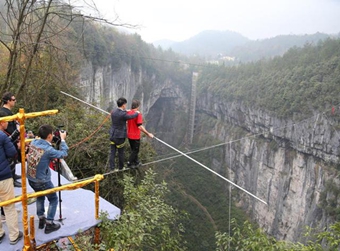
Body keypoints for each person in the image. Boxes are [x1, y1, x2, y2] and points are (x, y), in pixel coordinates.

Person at [26, 125, 68, 234]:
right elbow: (63, 154)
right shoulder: (48, 150)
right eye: (52, 134)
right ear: (49, 136)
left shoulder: (33, 142)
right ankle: (49, 224)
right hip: (42, 180)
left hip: (31, 178)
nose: (53, 136)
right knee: (53, 199)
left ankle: (41, 218)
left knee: (40, 196)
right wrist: (62, 140)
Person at [0, 111, 23, 245]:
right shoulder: (2, 136)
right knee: (9, 207)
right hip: (3, 176)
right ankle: (14, 236)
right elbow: (12, 152)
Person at [109, 97, 139, 170]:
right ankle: (121, 167)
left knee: (112, 152)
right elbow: (131, 116)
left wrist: (128, 110)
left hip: (112, 135)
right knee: (120, 152)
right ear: (123, 105)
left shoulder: (113, 111)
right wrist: (137, 113)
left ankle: (112, 168)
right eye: (125, 104)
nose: (125, 106)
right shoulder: (123, 115)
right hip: (119, 137)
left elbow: (122, 112)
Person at [0, 92, 21, 188]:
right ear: (8, 101)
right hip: (9, 138)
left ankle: (14, 175)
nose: (15, 101)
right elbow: (7, 128)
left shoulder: (8, 111)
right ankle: (11, 179)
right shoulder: (4, 113)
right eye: (13, 100)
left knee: (14, 158)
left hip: (13, 137)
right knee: (10, 159)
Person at [127, 100, 154, 168]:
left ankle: (136, 162)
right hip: (135, 136)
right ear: (138, 107)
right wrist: (148, 134)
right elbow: (140, 126)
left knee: (134, 150)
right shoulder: (138, 114)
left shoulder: (129, 112)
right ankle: (129, 163)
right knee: (136, 150)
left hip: (129, 135)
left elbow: (125, 111)